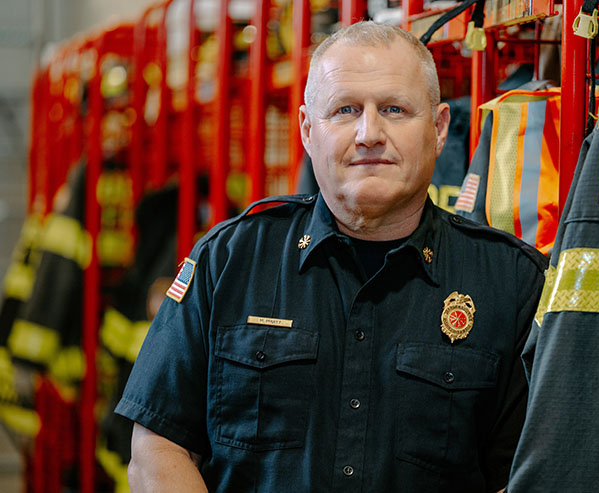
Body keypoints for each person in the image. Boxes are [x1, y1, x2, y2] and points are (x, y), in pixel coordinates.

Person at [116, 21, 546, 492]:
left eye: (394, 109)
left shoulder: (512, 283)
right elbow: (157, 448)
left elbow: (528, 474)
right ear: (306, 129)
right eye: (344, 110)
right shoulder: (229, 262)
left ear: (439, 129)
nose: (369, 133)